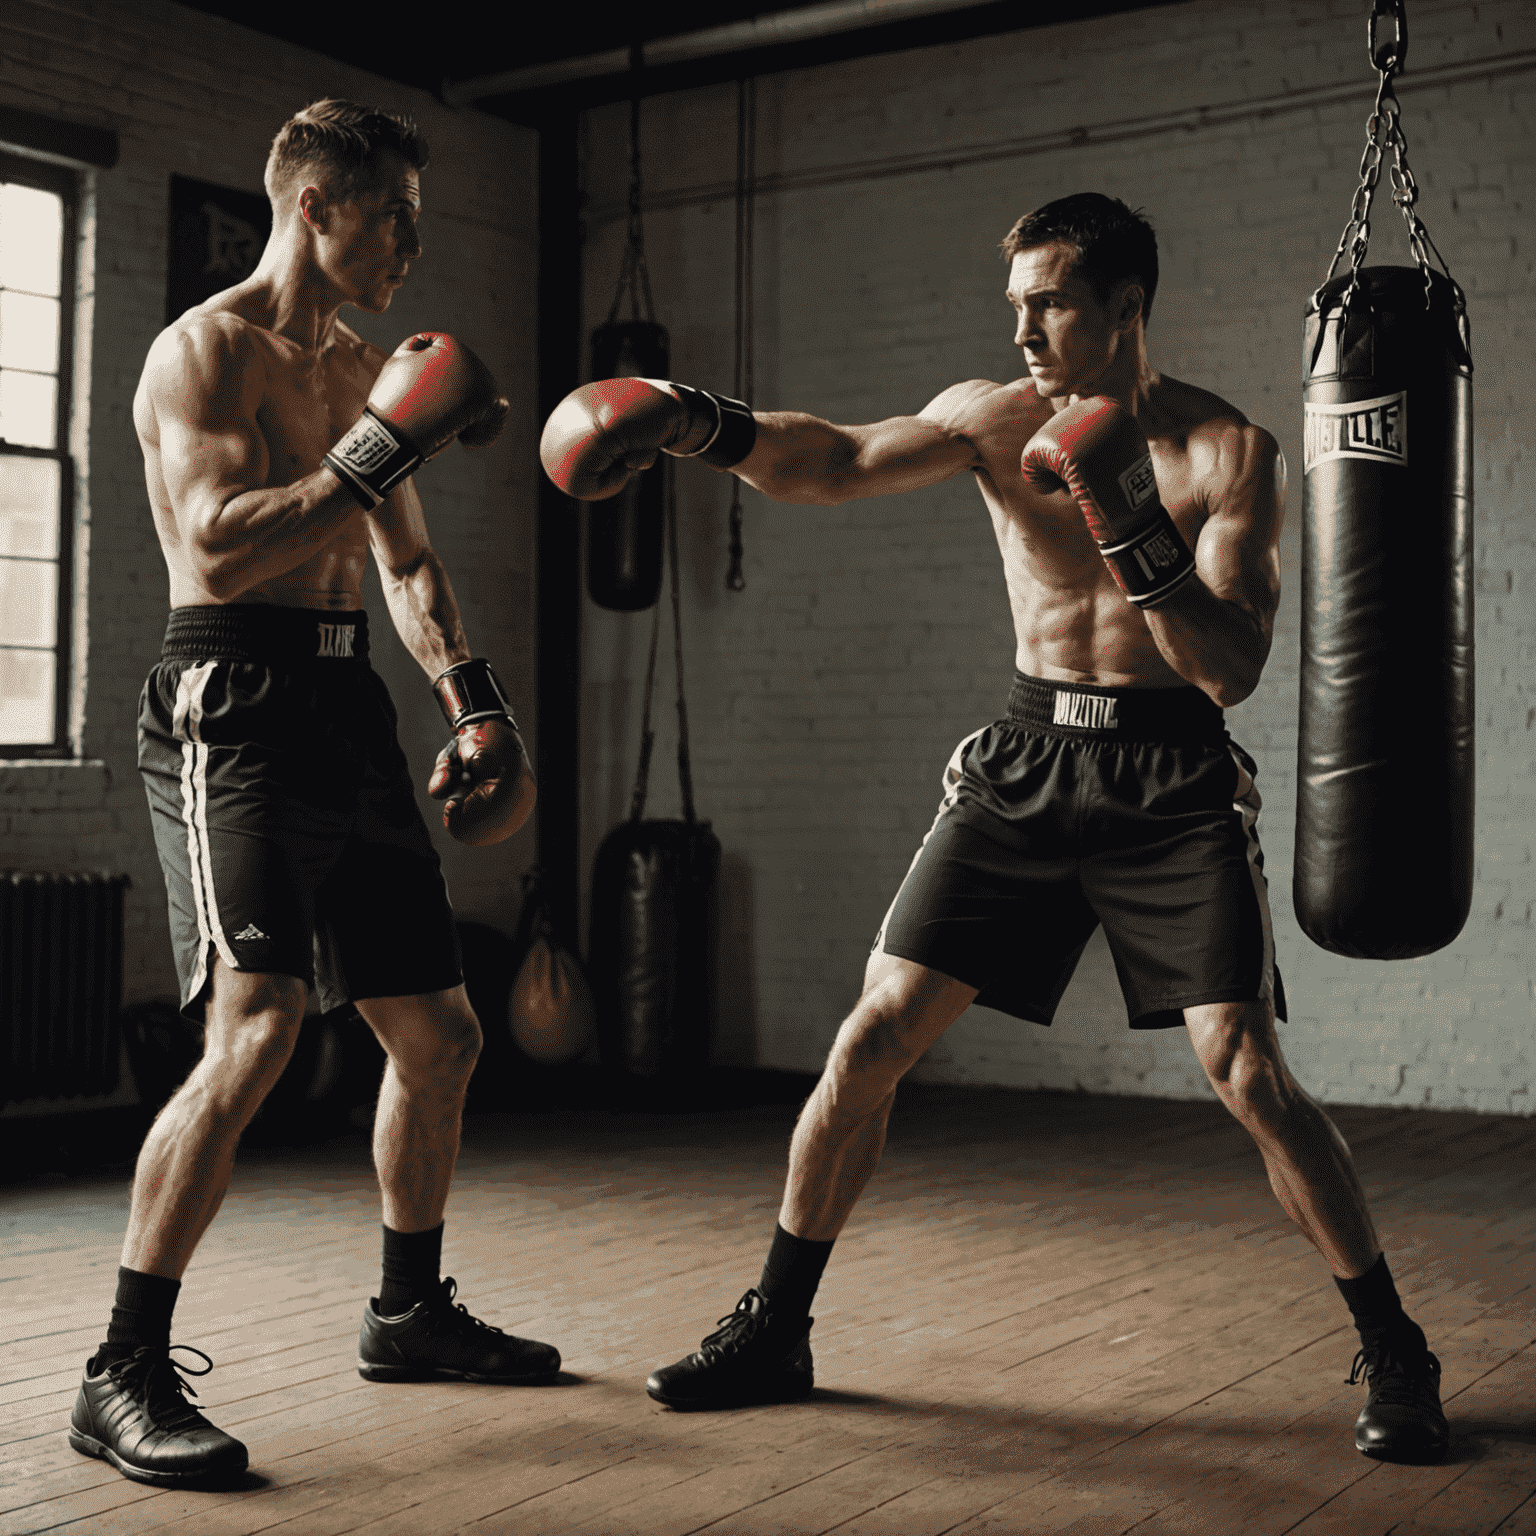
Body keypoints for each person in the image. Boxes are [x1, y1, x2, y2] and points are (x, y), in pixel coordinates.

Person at [540, 193, 1449, 1464]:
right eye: (1014, 302)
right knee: (871, 1037)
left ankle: (1395, 1345)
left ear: (1127, 308)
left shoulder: (1228, 453)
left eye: (1052, 302)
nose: (1023, 327)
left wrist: (1131, 524)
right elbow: (841, 460)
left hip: (1166, 780)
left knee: (1244, 1068)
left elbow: (1231, 666)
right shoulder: (988, 416)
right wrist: (704, 424)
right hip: (1026, 763)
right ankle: (777, 1323)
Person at [69, 100, 556, 1490]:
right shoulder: (206, 350)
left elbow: (403, 564)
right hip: (230, 702)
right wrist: (381, 445)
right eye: (392, 207)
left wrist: (475, 703)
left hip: (347, 704)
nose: (412, 235)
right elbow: (218, 551)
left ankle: (407, 1311)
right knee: (258, 1025)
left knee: (442, 1034)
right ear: (314, 206)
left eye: (415, 210)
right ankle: (121, 1371)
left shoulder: (360, 368)